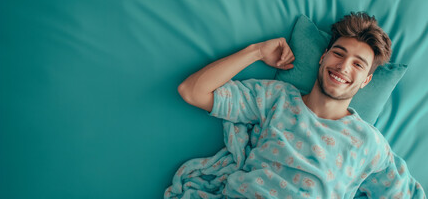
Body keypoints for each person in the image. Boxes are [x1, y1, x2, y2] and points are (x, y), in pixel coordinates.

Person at [176, 12, 426, 198]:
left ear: (366, 81)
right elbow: (192, 91)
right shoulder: (277, 98)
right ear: (322, 57)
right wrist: (257, 52)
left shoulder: (369, 143)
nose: (343, 66)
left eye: (358, 64)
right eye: (338, 53)